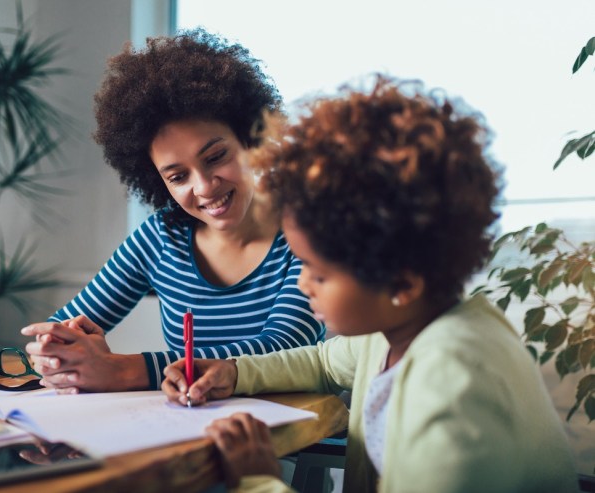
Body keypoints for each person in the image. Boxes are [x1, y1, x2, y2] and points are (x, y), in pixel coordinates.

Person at [162, 78, 579, 492]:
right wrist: (232, 373)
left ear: (403, 280)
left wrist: (258, 479)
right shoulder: (404, 326)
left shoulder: (452, 389)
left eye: (319, 272)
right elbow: (324, 363)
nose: (303, 283)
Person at [20, 29, 324, 394]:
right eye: (178, 176)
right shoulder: (161, 236)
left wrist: (123, 370)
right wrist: (59, 351)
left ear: (249, 138)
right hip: (183, 429)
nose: (205, 186)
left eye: (216, 157)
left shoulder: (306, 231)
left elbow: (284, 350)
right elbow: (63, 324)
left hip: (282, 438)